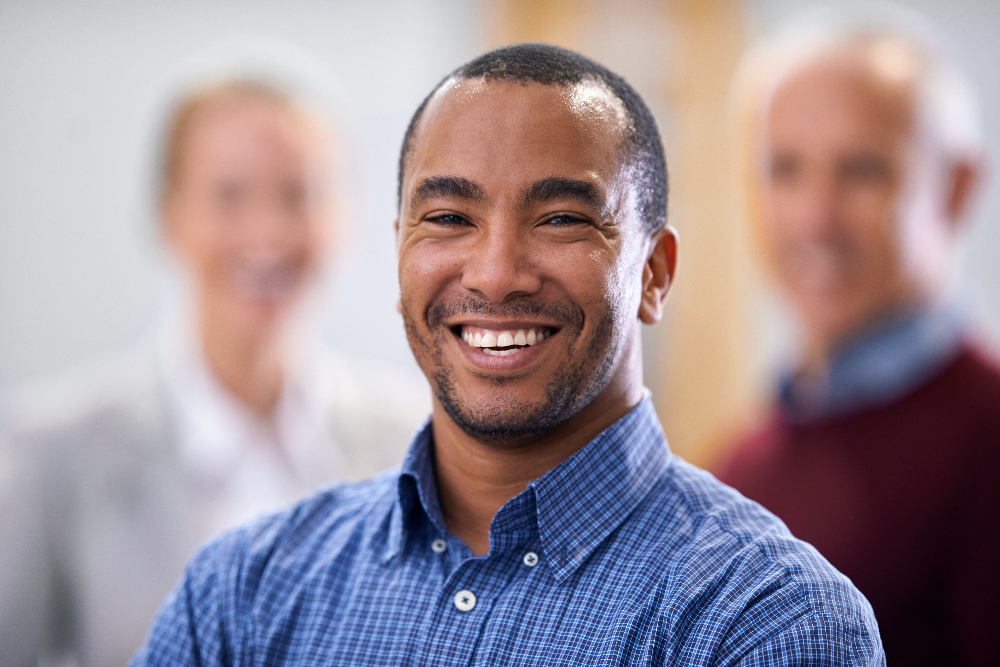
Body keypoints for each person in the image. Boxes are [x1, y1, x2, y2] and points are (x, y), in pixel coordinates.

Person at [131, 43, 883, 666]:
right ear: (401, 253)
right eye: (450, 217)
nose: (493, 272)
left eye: (560, 218)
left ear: (654, 275)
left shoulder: (767, 623)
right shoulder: (241, 595)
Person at [0, 67, 424, 667]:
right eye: (229, 194)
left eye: (298, 194)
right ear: (168, 215)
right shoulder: (53, 456)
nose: (266, 233)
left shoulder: (415, 444)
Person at [715, 9, 1000, 666]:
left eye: (863, 170)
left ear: (955, 188)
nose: (816, 216)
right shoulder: (743, 464)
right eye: (785, 169)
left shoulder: (986, 441)